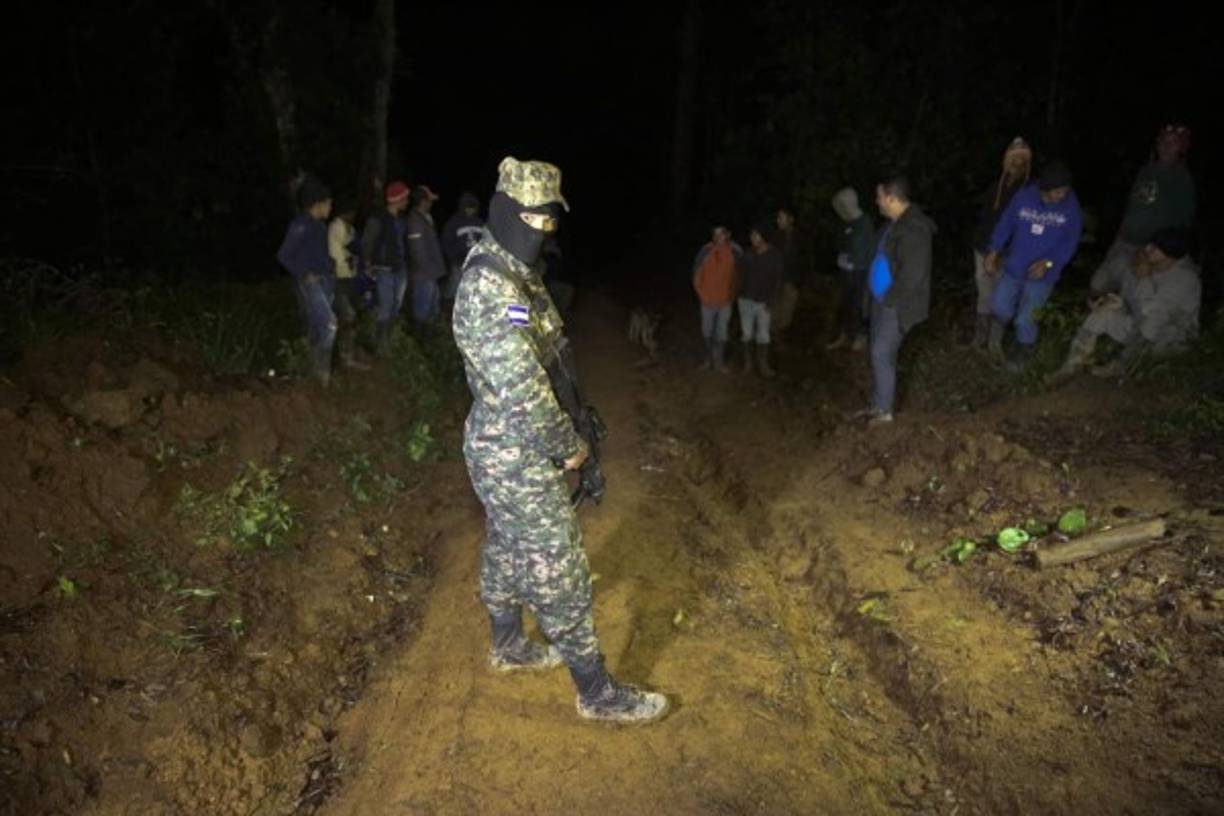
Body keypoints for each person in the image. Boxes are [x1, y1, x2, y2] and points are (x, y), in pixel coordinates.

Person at [451, 156, 668, 724]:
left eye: (550, 221)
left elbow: (551, 352)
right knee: (559, 565)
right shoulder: (488, 287)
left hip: (515, 448)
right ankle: (595, 691)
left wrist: (579, 414)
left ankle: (507, 644)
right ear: (504, 213)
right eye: (532, 219)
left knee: (505, 543)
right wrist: (568, 446)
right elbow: (524, 391)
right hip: (513, 451)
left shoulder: (516, 272)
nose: (542, 231)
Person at [1050, 228, 1200, 383]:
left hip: (1169, 339)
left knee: (1149, 324)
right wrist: (1107, 302)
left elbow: (1150, 315)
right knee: (1103, 312)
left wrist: (1144, 278)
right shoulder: (1144, 262)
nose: (1147, 249)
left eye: (1155, 248)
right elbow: (1129, 301)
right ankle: (1072, 365)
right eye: (1150, 244)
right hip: (1138, 326)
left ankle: (1124, 366)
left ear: (1170, 257)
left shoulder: (1184, 279)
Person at [984, 161, 1084, 372]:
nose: (1062, 195)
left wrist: (1049, 262)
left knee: (1025, 319)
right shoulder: (1024, 197)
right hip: (1015, 266)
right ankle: (995, 344)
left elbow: (1070, 242)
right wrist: (994, 250)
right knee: (1000, 307)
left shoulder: (1071, 207)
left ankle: (1024, 352)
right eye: (1057, 191)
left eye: (1065, 190)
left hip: (1043, 275)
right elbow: (1006, 223)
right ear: (1044, 189)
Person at [1090, 123, 1195, 296]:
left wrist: (1157, 252)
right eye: (1163, 141)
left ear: (1181, 148)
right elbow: (1134, 206)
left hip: (1148, 249)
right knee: (1099, 286)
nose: (1166, 146)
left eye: (1173, 142)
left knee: (1132, 295)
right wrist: (1120, 233)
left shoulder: (1182, 179)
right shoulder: (1146, 171)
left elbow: (1182, 223)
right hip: (1124, 241)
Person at [865, 177, 936, 425]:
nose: (877, 201)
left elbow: (913, 275)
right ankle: (877, 404)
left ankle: (884, 413)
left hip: (897, 305)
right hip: (882, 300)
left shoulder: (915, 228)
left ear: (892, 199)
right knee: (880, 353)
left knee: (881, 353)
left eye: (879, 197)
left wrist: (889, 300)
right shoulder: (895, 224)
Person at [970, 137, 1032, 348]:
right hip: (982, 249)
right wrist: (984, 249)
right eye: (1014, 159)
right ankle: (979, 339)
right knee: (984, 294)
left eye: (1022, 161)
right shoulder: (994, 187)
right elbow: (985, 218)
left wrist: (1000, 252)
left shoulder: (1028, 194)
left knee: (1002, 299)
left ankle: (995, 344)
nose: (1017, 165)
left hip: (1006, 255)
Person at [276, 174, 338, 386]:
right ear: (317, 203)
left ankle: (313, 378)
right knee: (330, 325)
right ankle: (321, 376)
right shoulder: (299, 225)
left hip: (326, 281)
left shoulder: (319, 226)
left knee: (316, 328)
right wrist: (304, 273)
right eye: (328, 203)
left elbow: (318, 253)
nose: (331, 207)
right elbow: (284, 255)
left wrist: (330, 266)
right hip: (311, 283)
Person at [361, 180, 411, 355]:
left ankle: (388, 340)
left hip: (400, 268)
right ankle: (381, 346)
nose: (407, 201)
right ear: (397, 199)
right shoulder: (378, 218)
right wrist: (368, 263)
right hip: (384, 269)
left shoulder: (402, 220)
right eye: (405, 198)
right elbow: (367, 241)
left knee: (395, 306)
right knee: (386, 306)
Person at [827, 187, 876, 351]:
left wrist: (853, 261)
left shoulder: (865, 223)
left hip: (861, 272)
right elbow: (840, 243)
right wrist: (842, 257)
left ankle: (862, 335)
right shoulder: (846, 223)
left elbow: (864, 249)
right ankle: (844, 334)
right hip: (846, 272)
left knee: (861, 304)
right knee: (845, 303)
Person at [327, 201, 371, 370]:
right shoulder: (336, 227)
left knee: (350, 318)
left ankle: (347, 355)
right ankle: (345, 358)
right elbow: (337, 256)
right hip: (339, 278)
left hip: (350, 278)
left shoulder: (348, 229)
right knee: (347, 316)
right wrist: (349, 257)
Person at [691, 225, 742, 372]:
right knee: (707, 331)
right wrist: (701, 292)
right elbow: (696, 272)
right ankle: (708, 358)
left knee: (722, 332)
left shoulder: (735, 251)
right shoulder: (706, 250)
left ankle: (719, 362)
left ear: (728, 235)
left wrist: (733, 295)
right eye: (715, 235)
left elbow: (740, 275)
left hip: (725, 301)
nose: (719, 237)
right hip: (707, 300)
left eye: (722, 234)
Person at [737, 224, 784, 377]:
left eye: (756, 235)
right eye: (752, 236)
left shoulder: (774, 255)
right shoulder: (747, 253)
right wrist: (737, 294)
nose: (753, 238)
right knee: (747, 333)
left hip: (764, 301)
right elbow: (739, 275)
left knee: (763, 334)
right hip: (745, 300)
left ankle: (763, 365)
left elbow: (777, 280)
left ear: (764, 236)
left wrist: (772, 300)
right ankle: (748, 364)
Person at [406, 184, 447, 326]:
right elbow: (417, 251)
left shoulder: (426, 218)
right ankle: (420, 338)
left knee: (433, 307)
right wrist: (429, 272)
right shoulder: (415, 221)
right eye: (429, 200)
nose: (431, 203)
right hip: (423, 274)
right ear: (423, 201)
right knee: (422, 309)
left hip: (431, 272)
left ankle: (430, 339)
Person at [441, 191, 484, 313]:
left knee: (472, 287)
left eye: (473, 207)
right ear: (463, 207)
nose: (471, 210)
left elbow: (485, 241)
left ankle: (467, 310)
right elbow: (446, 241)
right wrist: (453, 257)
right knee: (454, 284)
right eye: (469, 207)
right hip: (458, 261)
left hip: (475, 262)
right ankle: (448, 306)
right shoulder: (454, 222)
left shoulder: (479, 222)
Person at [772, 206, 803, 347]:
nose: (778, 220)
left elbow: (804, 260)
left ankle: (779, 334)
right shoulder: (775, 237)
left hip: (792, 281)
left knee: (787, 312)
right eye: (778, 217)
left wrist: (798, 281)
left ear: (791, 219)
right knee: (774, 309)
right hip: (776, 281)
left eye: (781, 217)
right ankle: (772, 338)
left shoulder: (799, 237)